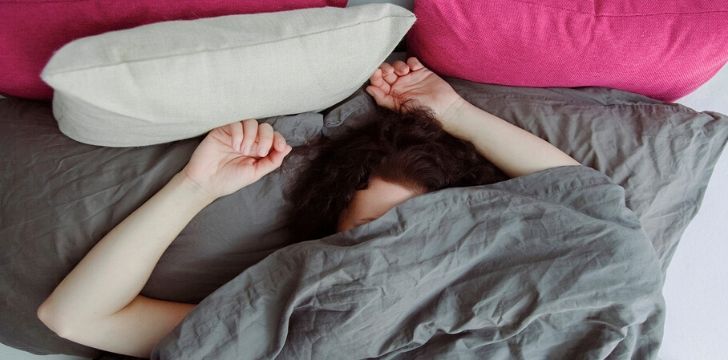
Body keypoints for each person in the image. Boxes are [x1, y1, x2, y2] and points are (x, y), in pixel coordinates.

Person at [37, 57, 580, 358]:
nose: (393, 247)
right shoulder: (292, 320)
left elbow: (585, 205)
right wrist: (196, 187)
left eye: (416, 230)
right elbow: (77, 317)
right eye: (371, 231)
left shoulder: (511, 293)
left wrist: (453, 111)